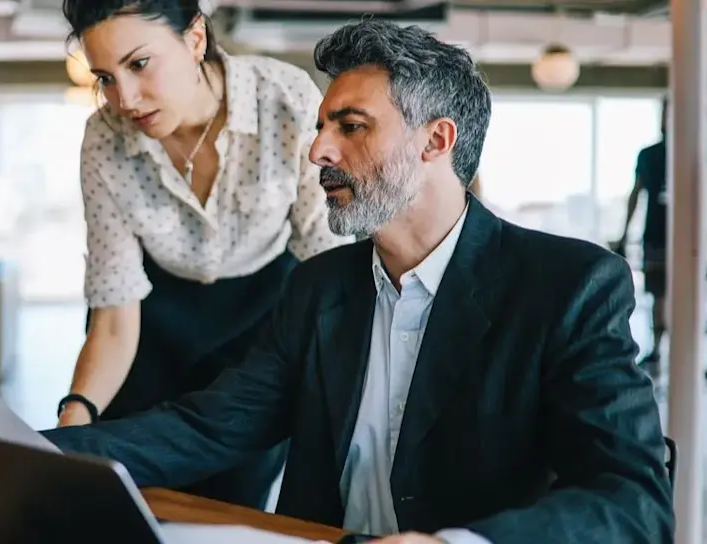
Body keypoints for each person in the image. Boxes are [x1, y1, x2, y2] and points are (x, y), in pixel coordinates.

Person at [44, 19, 672, 544]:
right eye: (322, 127)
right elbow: (209, 426)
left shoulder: (569, 287)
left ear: (436, 141)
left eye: (350, 126)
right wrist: (30, 454)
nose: (317, 150)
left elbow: (634, 504)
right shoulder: (316, 288)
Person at [55, 0, 347, 510]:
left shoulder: (285, 98)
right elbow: (115, 321)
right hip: (150, 329)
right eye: (105, 78)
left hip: (262, 321)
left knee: (230, 506)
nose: (125, 99)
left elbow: (325, 264)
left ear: (194, 39)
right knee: (119, 494)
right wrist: (71, 423)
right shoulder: (104, 139)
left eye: (139, 64)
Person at [616, 99, 707, 370]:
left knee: (687, 297)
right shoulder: (649, 155)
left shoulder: (694, 149)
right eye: (665, 113)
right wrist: (624, 234)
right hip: (655, 236)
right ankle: (658, 350)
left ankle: (689, 355)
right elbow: (636, 194)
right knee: (658, 296)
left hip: (688, 238)